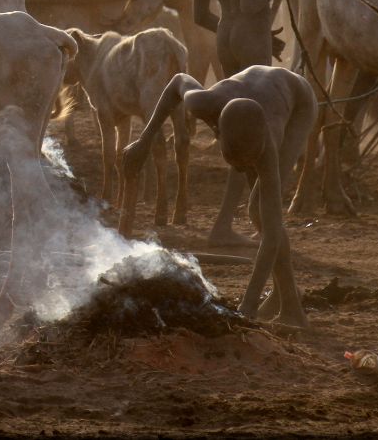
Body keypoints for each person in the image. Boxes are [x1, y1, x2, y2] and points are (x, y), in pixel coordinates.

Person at [119, 66, 314, 328]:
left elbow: (270, 234)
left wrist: (248, 305)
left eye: (250, 161)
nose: (244, 170)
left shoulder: (270, 141)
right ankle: (286, 297)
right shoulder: (201, 101)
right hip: (259, 92)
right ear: (218, 134)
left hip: (299, 100)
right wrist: (144, 140)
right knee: (261, 212)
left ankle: (291, 307)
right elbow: (177, 81)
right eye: (237, 162)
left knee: (260, 211)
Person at [189, 0, 298, 245]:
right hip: (248, 35)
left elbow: (199, 15)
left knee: (238, 127)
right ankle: (238, 223)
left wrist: (242, 28)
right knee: (256, 130)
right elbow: (252, 1)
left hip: (226, 36)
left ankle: (251, 220)